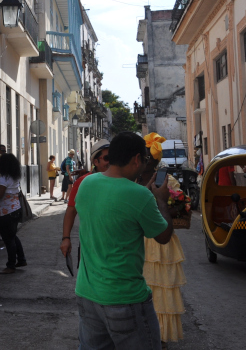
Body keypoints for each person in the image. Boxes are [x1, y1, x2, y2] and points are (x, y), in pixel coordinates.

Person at [73, 131, 174, 349]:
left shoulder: (86, 184)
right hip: (125, 299)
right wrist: (162, 201)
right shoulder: (140, 195)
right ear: (137, 159)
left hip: (87, 294)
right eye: (145, 160)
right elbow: (163, 236)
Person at [139, 133, 187, 349]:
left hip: (159, 242)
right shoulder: (131, 180)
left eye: (150, 160)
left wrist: (162, 200)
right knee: (145, 290)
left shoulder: (166, 181)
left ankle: (159, 338)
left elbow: (181, 208)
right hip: (142, 242)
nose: (149, 163)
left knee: (159, 291)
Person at [60, 139, 110, 260]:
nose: (112, 162)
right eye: (107, 158)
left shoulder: (121, 180)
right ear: (95, 161)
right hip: (91, 244)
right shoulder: (82, 182)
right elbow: (71, 211)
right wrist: (66, 238)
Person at [0, 153, 26, 274]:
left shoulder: (3, 178)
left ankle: (10, 266)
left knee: (8, 239)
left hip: (5, 213)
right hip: (15, 210)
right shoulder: (14, 177)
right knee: (12, 236)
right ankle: (21, 259)